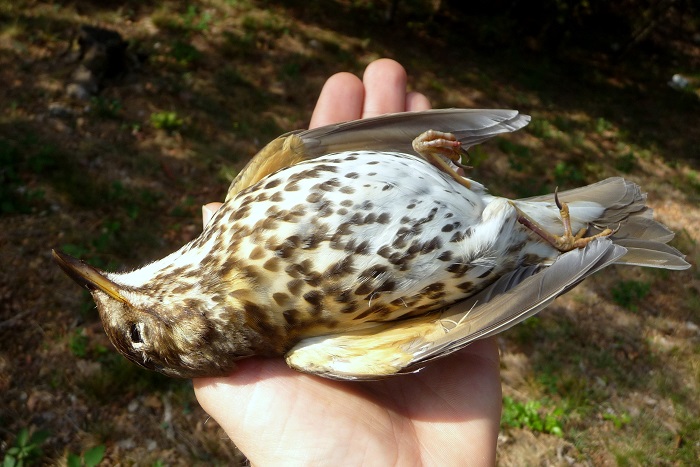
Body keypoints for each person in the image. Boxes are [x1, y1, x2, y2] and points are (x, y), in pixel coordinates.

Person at [193, 58, 501, 465]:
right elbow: (435, 332)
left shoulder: (238, 210)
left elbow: (306, 148)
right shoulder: (308, 352)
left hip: (425, 181)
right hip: (488, 248)